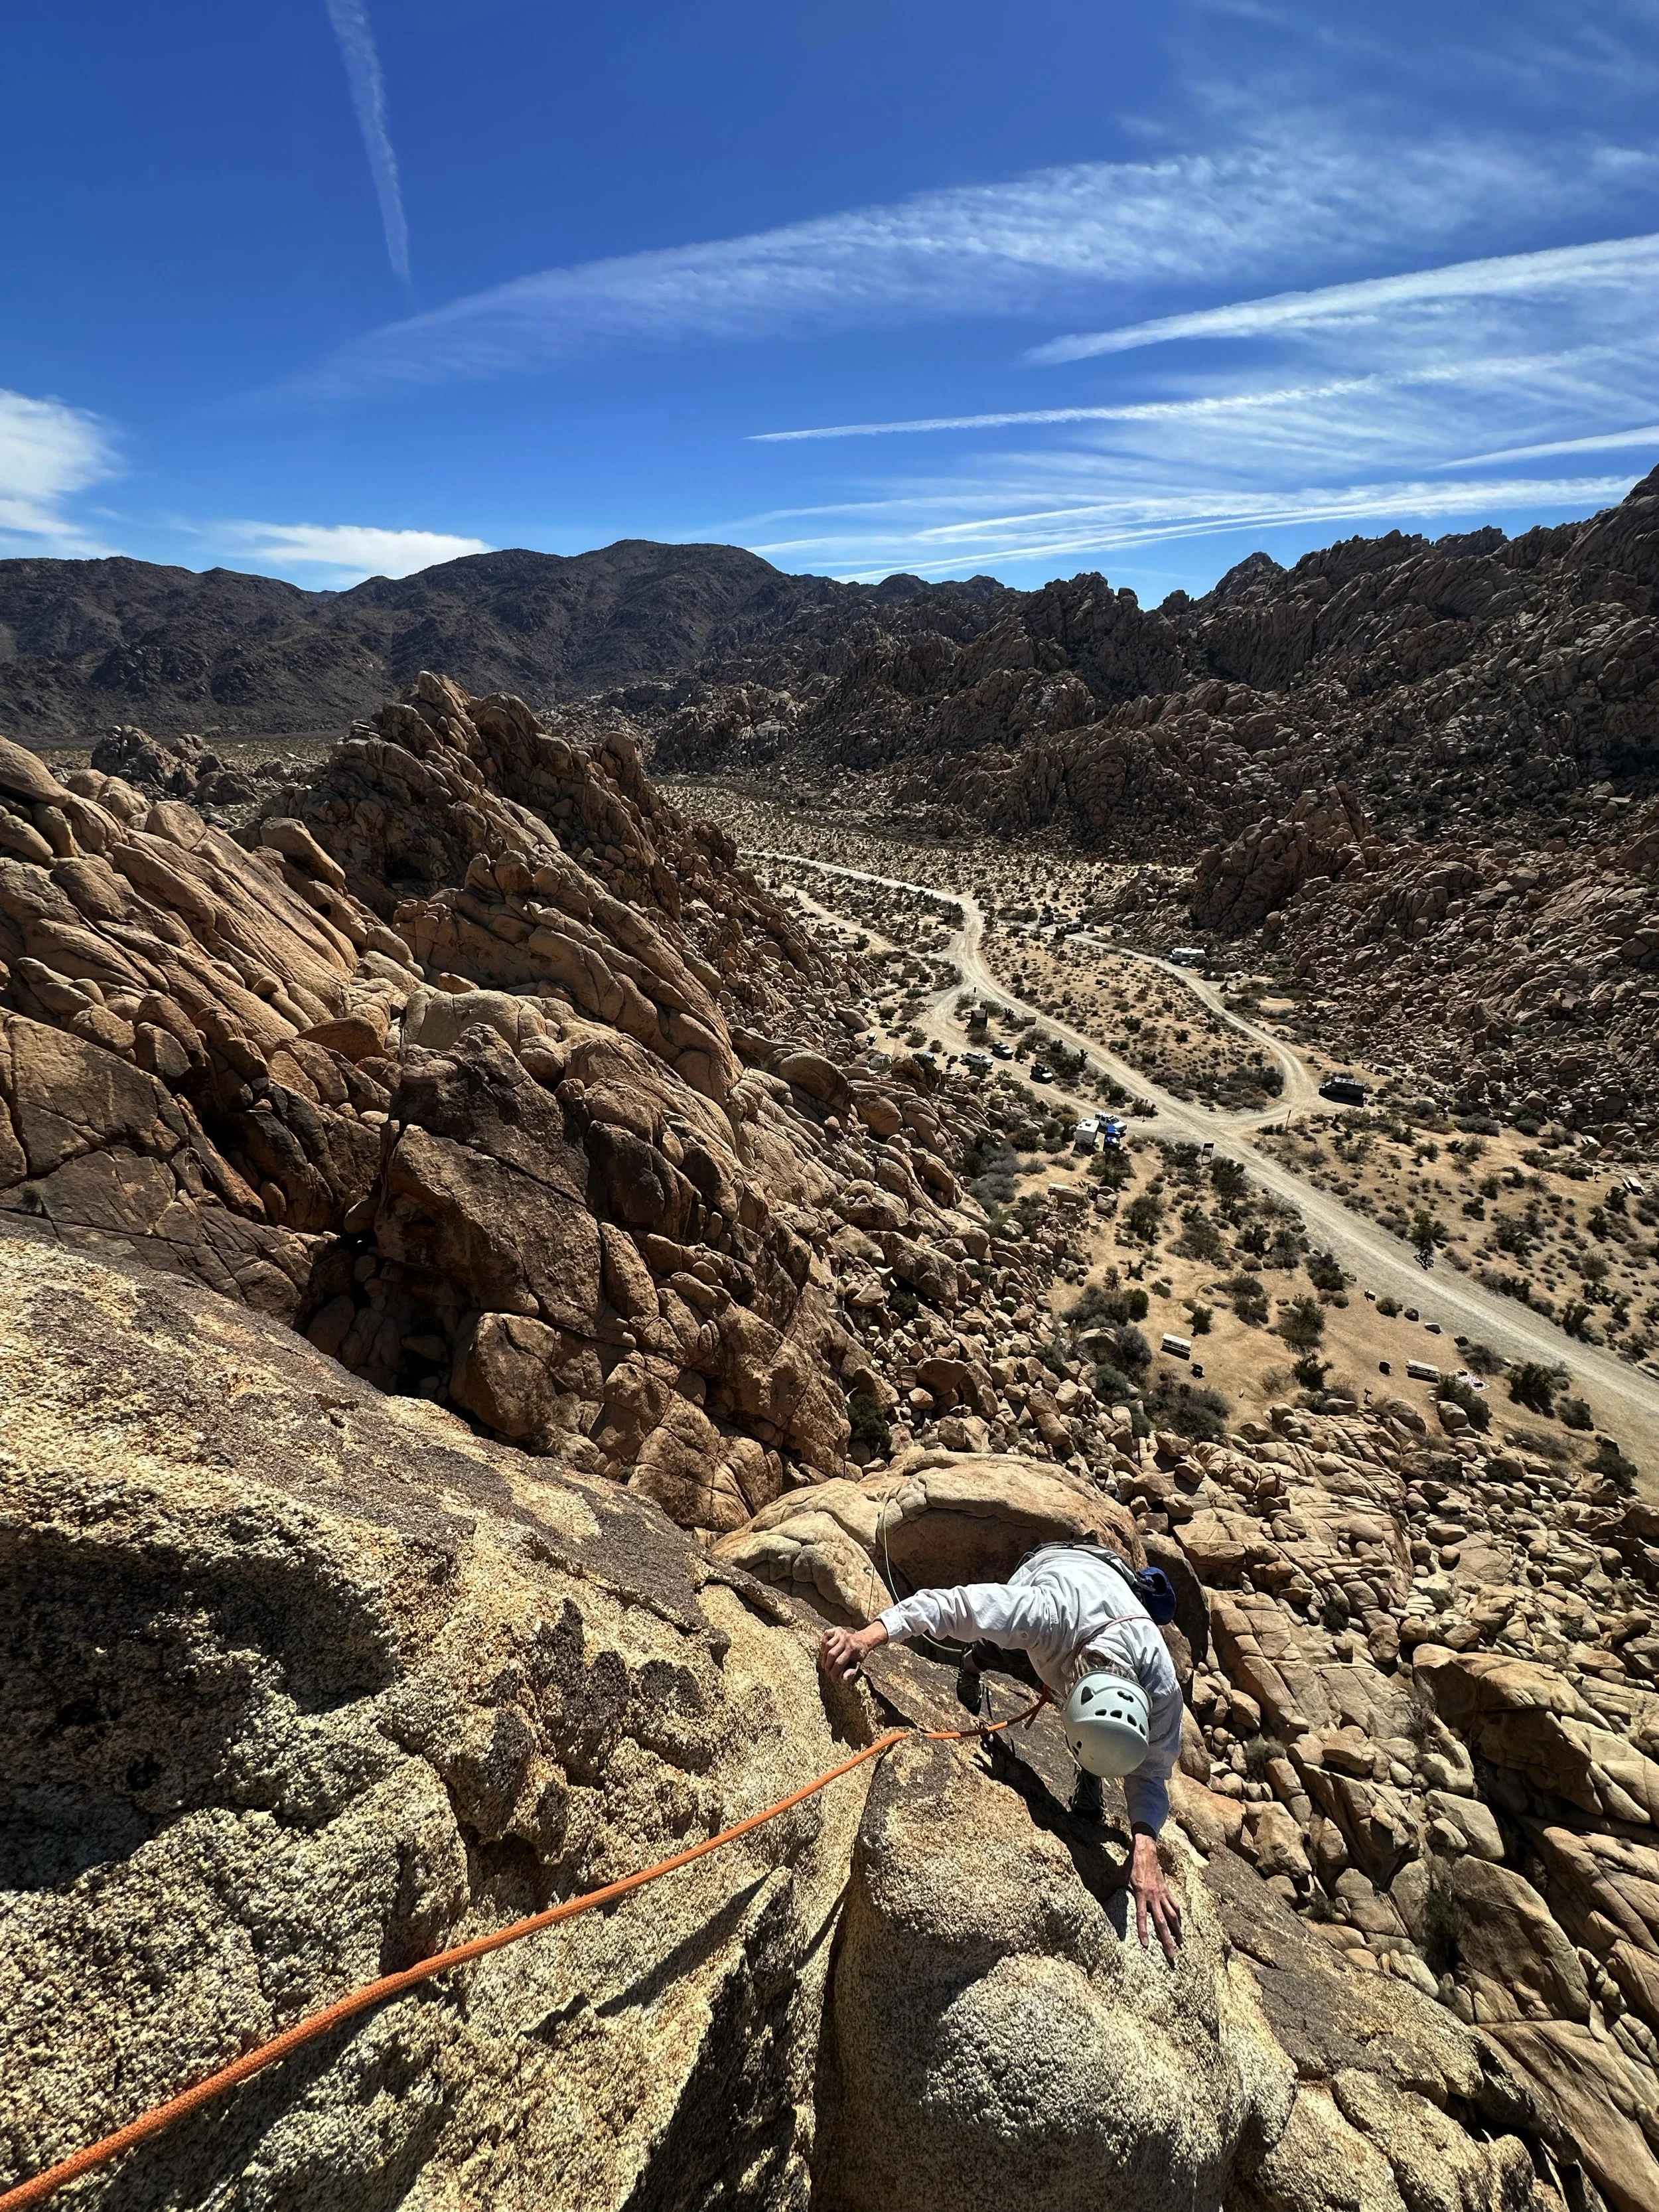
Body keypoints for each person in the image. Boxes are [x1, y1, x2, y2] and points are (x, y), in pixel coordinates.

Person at [820, 1539, 1186, 1962]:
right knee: (994, 1645)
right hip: (1053, 1565)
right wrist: (864, 1638)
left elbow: (1152, 1772)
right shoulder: (1043, 1613)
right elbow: (954, 1606)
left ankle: (1091, 1776)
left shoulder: (1162, 1688)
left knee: (1102, 1734)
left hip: (1110, 1596)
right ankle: (970, 1667)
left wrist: (1145, 1843)